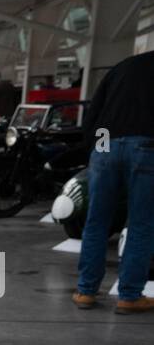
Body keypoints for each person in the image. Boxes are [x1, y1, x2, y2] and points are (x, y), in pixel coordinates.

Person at [73, 50, 154, 314]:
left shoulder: (123, 65)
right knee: (141, 224)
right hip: (146, 144)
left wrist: (93, 147)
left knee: (96, 221)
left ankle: (85, 291)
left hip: (106, 142)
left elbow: (94, 112)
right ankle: (129, 295)